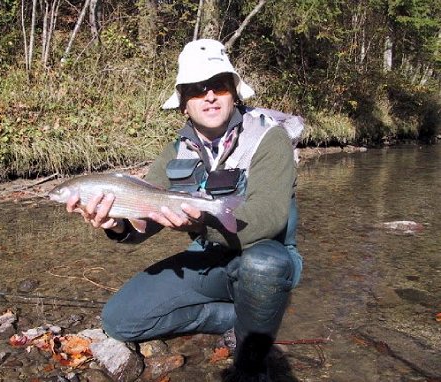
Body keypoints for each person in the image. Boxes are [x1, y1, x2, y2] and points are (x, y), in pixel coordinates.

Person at [66, 39, 303, 381]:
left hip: (265, 256)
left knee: (264, 265)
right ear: (183, 104)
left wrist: (198, 222)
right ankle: (238, 317)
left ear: (233, 91)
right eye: (196, 89)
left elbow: (268, 221)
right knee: (120, 320)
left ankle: (251, 364)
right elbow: (146, 217)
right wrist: (116, 225)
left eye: (218, 85)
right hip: (208, 259)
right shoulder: (174, 153)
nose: (208, 95)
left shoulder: (269, 138)